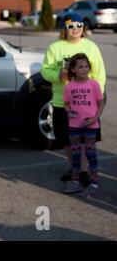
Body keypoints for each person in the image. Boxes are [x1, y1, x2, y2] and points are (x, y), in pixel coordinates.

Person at [41, 13, 106, 187]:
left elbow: (100, 75)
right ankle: (74, 169)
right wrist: (57, 75)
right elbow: (45, 71)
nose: (75, 29)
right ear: (64, 28)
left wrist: (97, 98)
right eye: (71, 26)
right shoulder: (55, 48)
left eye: (79, 25)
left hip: (87, 106)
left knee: (86, 141)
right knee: (68, 141)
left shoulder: (91, 47)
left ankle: (84, 171)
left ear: (83, 27)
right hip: (63, 103)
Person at [63, 53, 104, 195]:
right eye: (80, 67)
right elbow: (66, 104)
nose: (84, 69)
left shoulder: (94, 84)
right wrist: (69, 111)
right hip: (74, 126)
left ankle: (93, 183)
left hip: (91, 126)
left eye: (86, 66)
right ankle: (75, 182)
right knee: (75, 155)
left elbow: (101, 104)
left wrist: (94, 119)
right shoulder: (69, 87)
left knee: (91, 154)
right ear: (73, 69)